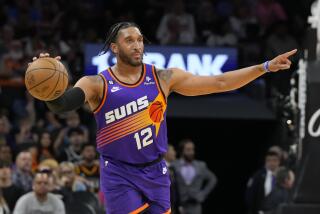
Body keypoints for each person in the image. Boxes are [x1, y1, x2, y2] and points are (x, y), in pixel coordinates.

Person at [30, 21, 296, 213]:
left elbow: (221, 82)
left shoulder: (162, 78)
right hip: (118, 171)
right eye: (129, 40)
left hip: (156, 170)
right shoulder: (96, 83)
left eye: (140, 39)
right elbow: (62, 104)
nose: (137, 45)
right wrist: (48, 86)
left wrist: (265, 67)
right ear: (114, 47)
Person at [172, 139, 217, 214]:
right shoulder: (174, 165)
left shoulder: (200, 165)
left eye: (192, 149)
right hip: (179, 204)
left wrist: (203, 194)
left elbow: (213, 179)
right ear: (181, 151)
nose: (191, 152)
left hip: (195, 205)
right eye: (188, 150)